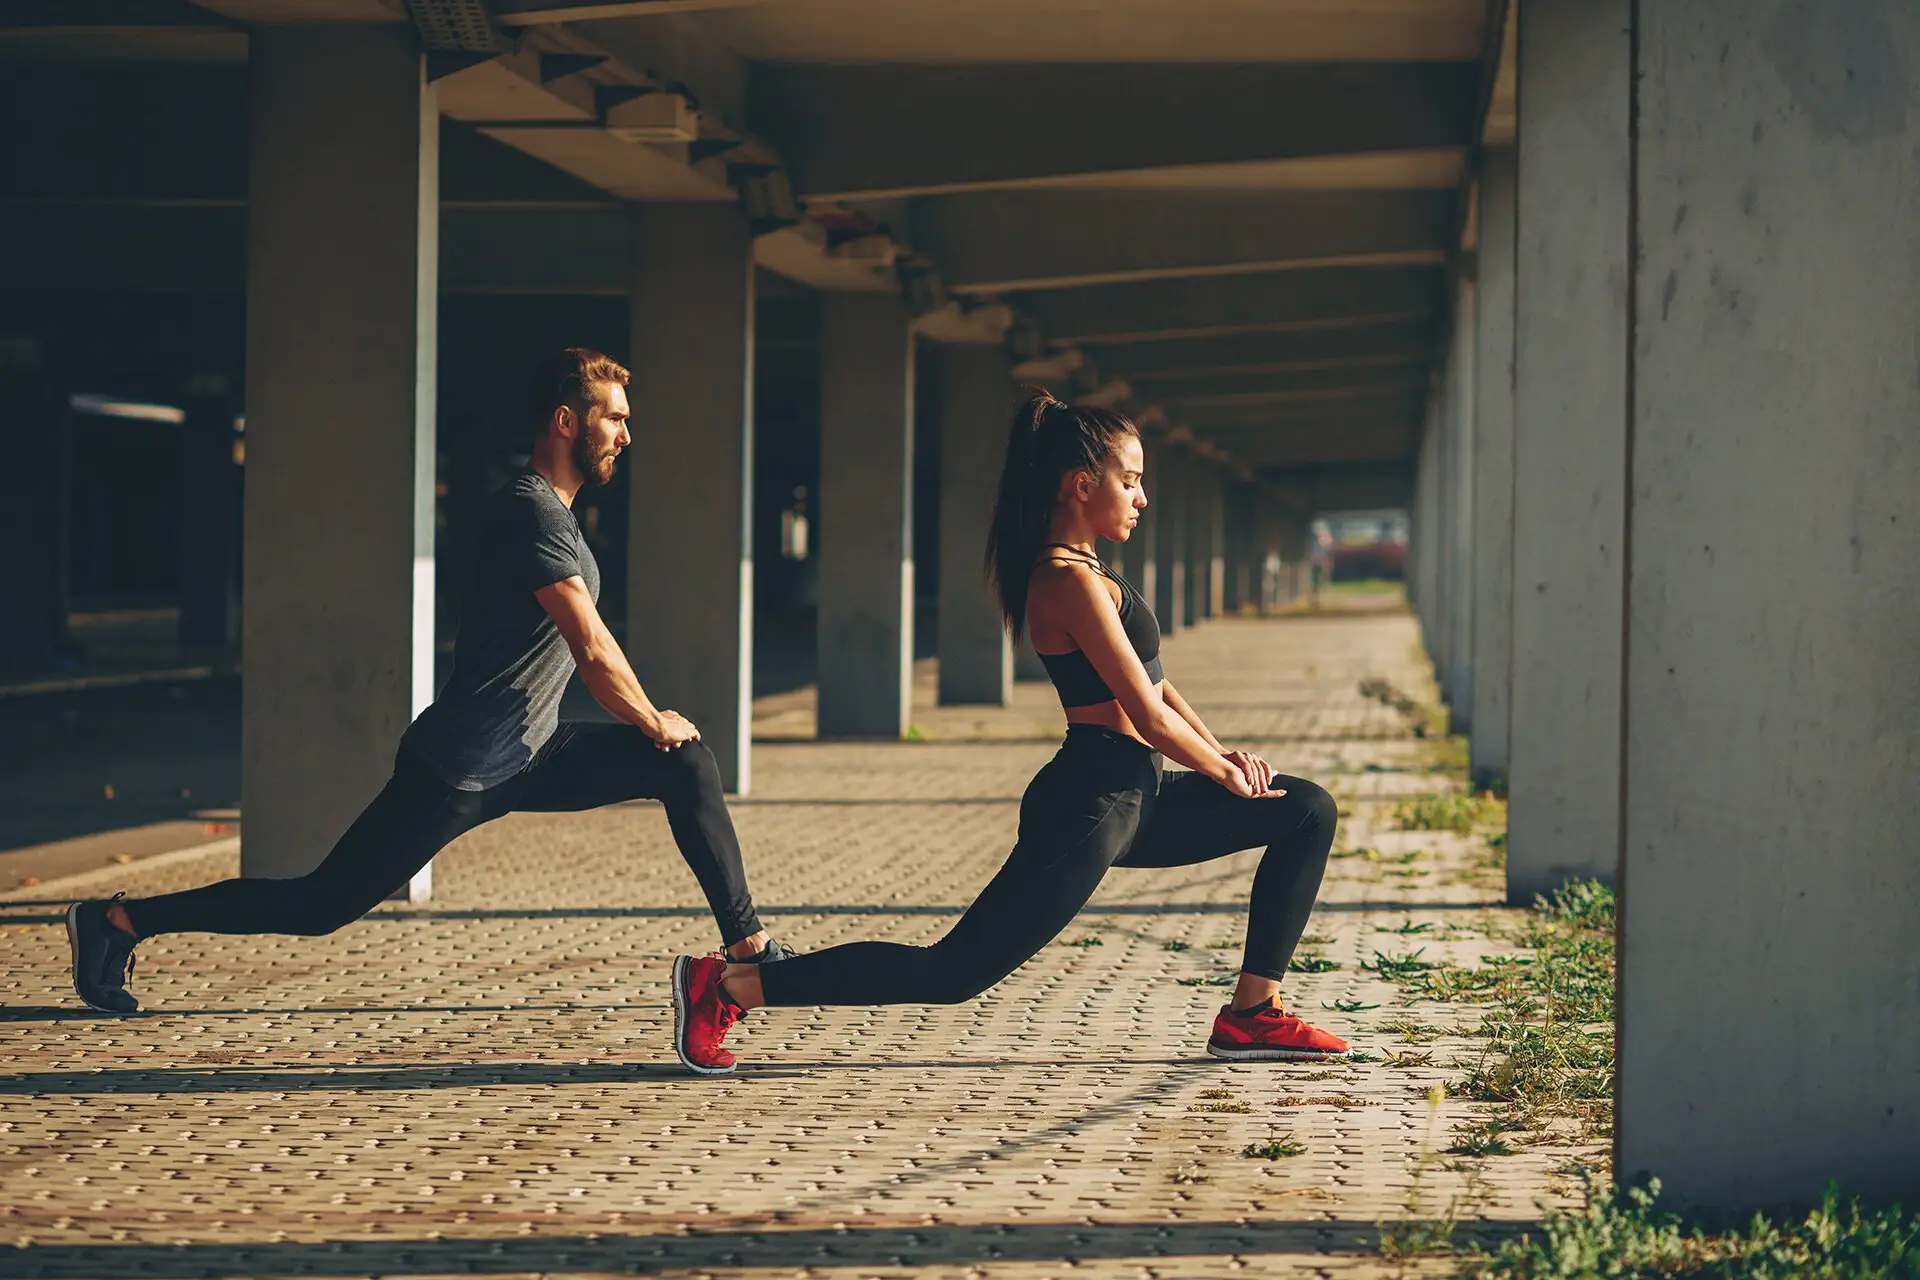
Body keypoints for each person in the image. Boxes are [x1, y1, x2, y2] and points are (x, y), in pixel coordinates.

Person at [65, 348, 788, 1015]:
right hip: (461, 767)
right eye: (616, 417)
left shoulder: (558, 515)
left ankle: (750, 952)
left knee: (687, 766)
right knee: (319, 906)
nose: (627, 435)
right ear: (569, 420)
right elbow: (590, 646)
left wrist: (659, 734)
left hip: (530, 755)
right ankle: (118, 921)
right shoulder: (528, 510)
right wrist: (649, 718)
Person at [667, 390, 1348, 1074]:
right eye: (1131, 481)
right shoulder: (1063, 579)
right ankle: (729, 987)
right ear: (1083, 485)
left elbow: (1157, 683)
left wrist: (1216, 754)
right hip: (1093, 801)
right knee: (953, 974)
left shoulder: (1093, 574)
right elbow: (1143, 712)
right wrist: (1220, 772)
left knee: (1305, 810)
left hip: (1139, 795)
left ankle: (1251, 1013)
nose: (1141, 499)